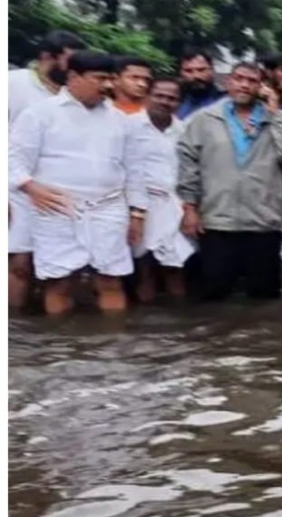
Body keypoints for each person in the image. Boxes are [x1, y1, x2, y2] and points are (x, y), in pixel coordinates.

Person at [9, 51, 147, 315]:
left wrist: (138, 213)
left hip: (109, 209)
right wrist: (30, 187)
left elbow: (135, 170)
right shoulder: (39, 114)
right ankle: (62, 349)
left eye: (111, 79)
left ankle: (114, 347)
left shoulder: (120, 120)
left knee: (110, 280)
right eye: (100, 78)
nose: (107, 85)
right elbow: (13, 160)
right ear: (73, 77)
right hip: (57, 208)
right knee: (59, 282)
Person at [176, 61, 282, 302]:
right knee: (214, 295)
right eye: (239, 78)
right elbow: (188, 163)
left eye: (252, 81)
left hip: (263, 222)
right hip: (217, 221)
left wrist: (274, 112)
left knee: (264, 298)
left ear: (261, 86)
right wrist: (189, 207)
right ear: (228, 82)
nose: (244, 85)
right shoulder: (205, 119)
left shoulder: (274, 119)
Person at [9, 30, 88, 309]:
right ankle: (15, 329)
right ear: (47, 58)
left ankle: (53, 332)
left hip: (60, 192)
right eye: (69, 62)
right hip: (17, 189)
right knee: (19, 263)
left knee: (65, 266)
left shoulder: (75, 93)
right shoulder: (13, 84)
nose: (74, 69)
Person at [128, 78, 193, 302]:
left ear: (179, 102)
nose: (165, 101)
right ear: (148, 96)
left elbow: (190, 172)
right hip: (139, 207)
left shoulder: (184, 131)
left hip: (175, 205)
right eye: (160, 96)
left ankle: (179, 328)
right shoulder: (129, 126)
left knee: (175, 267)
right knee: (144, 267)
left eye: (172, 98)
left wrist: (190, 209)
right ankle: (145, 328)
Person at [176, 48, 226, 120]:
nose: (196, 76)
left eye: (201, 70)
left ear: (212, 70)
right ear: (181, 73)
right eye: (188, 71)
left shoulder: (225, 99)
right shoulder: (173, 100)